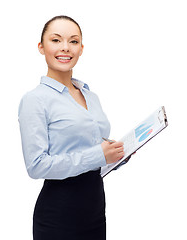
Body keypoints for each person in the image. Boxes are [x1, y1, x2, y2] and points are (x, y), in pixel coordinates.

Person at [18, 15, 125, 240]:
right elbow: (36, 166)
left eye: (73, 41)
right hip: (59, 216)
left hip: (95, 211)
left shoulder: (90, 95)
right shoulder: (35, 100)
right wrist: (97, 155)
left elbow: (91, 150)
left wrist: (113, 155)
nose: (65, 48)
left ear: (81, 48)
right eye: (56, 40)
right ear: (41, 47)